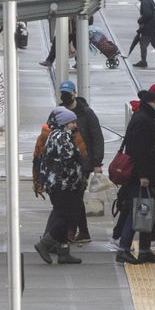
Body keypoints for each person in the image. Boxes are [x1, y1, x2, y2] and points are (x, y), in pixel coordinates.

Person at [110, 84, 155, 250]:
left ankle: (143, 247)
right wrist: (143, 175)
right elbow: (140, 149)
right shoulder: (144, 118)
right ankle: (127, 245)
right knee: (141, 208)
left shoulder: (145, 115)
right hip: (141, 174)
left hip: (142, 172)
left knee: (144, 207)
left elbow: (148, 142)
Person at [34, 107, 86, 265]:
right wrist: (76, 177)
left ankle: (64, 252)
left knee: (63, 214)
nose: (74, 125)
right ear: (64, 123)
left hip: (58, 183)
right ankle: (45, 243)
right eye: (72, 122)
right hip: (62, 185)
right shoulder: (61, 137)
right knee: (66, 215)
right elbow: (68, 160)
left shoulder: (57, 135)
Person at [59, 80, 104, 243]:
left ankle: (72, 230)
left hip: (84, 163)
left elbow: (97, 137)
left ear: (75, 93)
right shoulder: (59, 112)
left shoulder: (87, 113)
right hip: (64, 163)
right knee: (72, 198)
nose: (65, 96)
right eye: (62, 93)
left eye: (68, 93)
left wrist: (97, 163)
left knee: (75, 197)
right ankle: (83, 231)